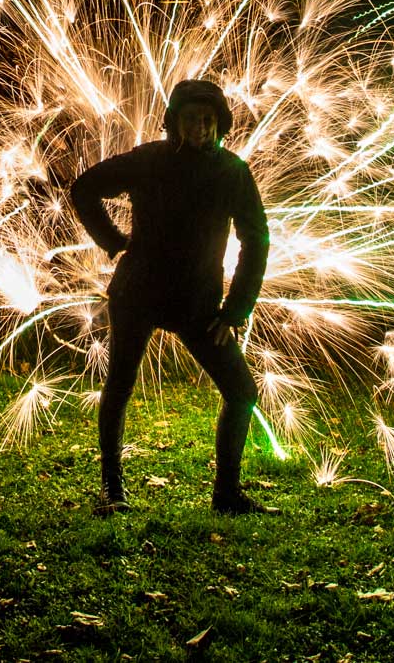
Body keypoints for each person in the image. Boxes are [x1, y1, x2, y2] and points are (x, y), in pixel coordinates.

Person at [69, 78, 272, 515]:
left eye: (208, 119)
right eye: (190, 119)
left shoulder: (232, 172)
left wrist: (236, 309)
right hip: (138, 292)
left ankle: (227, 495)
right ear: (173, 123)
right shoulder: (149, 160)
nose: (200, 127)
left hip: (198, 303)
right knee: (120, 384)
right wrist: (111, 239)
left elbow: (256, 241)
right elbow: (83, 188)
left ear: (220, 124)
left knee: (241, 391)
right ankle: (112, 489)